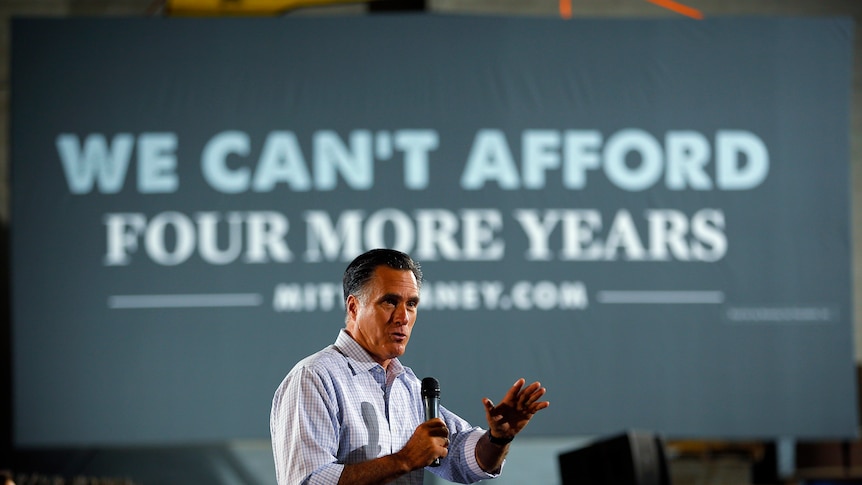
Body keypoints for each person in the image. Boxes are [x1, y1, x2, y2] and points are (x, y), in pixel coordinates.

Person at [270, 248, 549, 485]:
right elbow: (308, 480)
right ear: (354, 307)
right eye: (390, 302)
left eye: (412, 304)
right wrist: (404, 460)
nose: (403, 317)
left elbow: (463, 459)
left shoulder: (408, 387)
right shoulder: (315, 377)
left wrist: (498, 439)